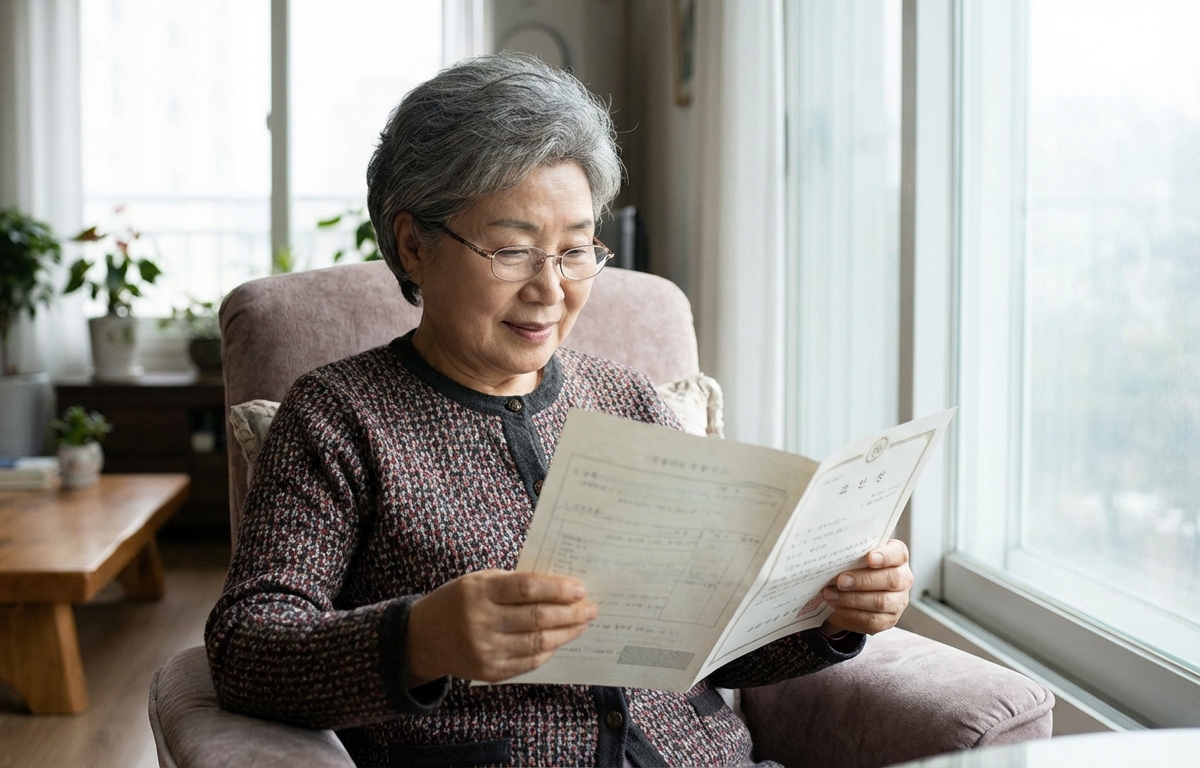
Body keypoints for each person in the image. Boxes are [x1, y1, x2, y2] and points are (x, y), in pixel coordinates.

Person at [206, 52, 913, 767]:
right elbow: (244, 649)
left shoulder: (628, 400)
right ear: (413, 244)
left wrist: (830, 615)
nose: (552, 288)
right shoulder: (340, 417)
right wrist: (420, 639)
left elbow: (702, 647)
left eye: (576, 250)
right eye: (513, 250)